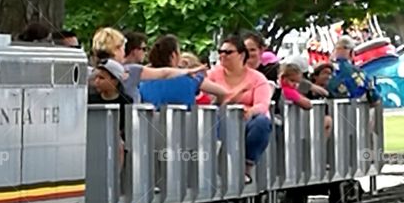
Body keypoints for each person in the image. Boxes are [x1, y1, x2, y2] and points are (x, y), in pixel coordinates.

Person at [206, 34, 273, 182]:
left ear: (241, 55)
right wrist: (234, 96)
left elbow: (262, 104)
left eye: (228, 52)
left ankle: (246, 166)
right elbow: (207, 100)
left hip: (247, 120)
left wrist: (250, 111)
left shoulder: (257, 77)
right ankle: (213, 166)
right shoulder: (211, 75)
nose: (223, 55)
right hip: (220, 119)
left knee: (262, 123)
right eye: (220, 52)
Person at [91, 26, 198, 103]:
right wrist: (186, 71)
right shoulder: (131, 71)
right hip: (128, 126)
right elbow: (163, 73)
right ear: (116, 49)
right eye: (123, 48)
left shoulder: (90, 73)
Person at [139, 34, 228, 109]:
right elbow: (222, 93)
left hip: (151, 128)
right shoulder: (191, 79)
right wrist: (213, 106)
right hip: (185, 126)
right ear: (173, 56)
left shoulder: (143, 80)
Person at [279, 62, 332, 138]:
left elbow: (325, 93)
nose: (295, 85)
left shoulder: (284, 89)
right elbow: (307, 105)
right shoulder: (288, 91)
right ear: (283, 78)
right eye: (292, 81)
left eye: (297, 82)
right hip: (290, 131)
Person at [328, 35, 380, 104]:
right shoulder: (358, 72)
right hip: (355, 111)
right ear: (352, 52)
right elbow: (375, 98)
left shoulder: (325, 71)